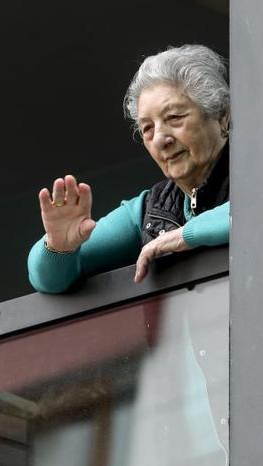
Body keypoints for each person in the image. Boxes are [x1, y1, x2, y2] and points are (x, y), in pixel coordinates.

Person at [28, 44, 231, 293]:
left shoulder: (261, 168)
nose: (160, 139)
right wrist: (59, 245)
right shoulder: (148, 210)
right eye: (147, 128)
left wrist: (187, 234)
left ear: (222, 117)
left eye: (175, 118)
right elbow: (50, 281)